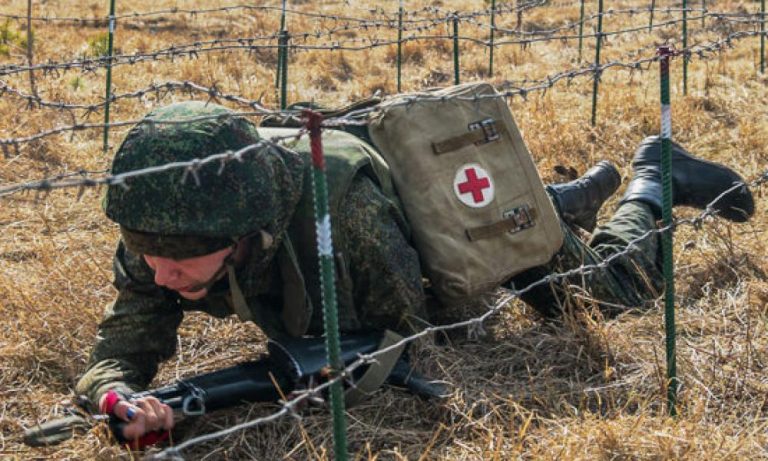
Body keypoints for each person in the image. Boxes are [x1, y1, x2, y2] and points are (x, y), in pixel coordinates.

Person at [75, 101, 754, 441]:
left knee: (609, 294)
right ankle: (560, 202)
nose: (158, 274)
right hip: (398, 213)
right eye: (148, 256)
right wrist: (119, 399)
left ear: (246, 234)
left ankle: (655, 178)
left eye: (176, 261)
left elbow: (423, 333)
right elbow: (120, 350)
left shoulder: (346, 218)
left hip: (453, 219)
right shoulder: (165, 227)